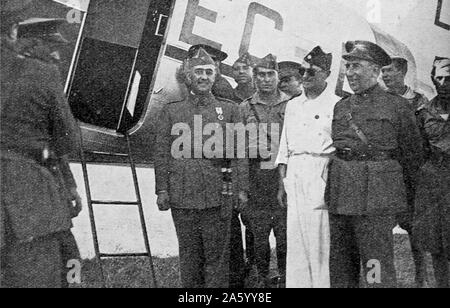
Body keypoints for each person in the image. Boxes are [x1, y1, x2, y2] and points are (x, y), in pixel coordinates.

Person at [327, 41, 424, 288]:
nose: (349, 73)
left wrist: (407, 203)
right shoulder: (342, 106)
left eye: (356, 66)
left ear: (375, 70)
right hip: (342, 193)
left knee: (375, 263)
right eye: (347, 66)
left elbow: (411, 156)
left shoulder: (398, 106)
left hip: (376, 198)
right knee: (341, 264)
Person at [1, 0, 82, 288]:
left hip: (43, 190)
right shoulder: (42, 76)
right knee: (45, 269)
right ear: (23, 40)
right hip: (33, 195)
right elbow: (67, 140)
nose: (58, 57)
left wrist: (70, 185)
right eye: (52, 49)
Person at [154, 47, 249, 288]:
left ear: (215, 76)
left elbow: (240, 153)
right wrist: (161, 189)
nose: (204, 77)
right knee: (189, 256)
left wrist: (241, 189)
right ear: (188, 76)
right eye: (198, 72)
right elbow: (161, 153)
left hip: (218, 196)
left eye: (209, 72)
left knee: (217, 258)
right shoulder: (172, 111)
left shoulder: (230, 111)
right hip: (182, 195)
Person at [276, 46, 338, 288]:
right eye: (303, 71)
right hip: (295, 173)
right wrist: (283, 183)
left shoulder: (336, 104)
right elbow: (285, 147)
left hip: (320, 171)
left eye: (312, 71)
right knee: (297, 239)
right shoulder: (293, 105)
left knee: (319, 240)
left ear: (327, 74)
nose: (306, 76)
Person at [240, 54, 290, 287]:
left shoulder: (292, 105)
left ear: (278, 77)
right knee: (259, 235)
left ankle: (285, 277)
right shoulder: (244, 108)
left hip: (284, 177)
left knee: (285, 235)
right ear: (254, 77)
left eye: (271, 74)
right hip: (256, 178)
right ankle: (261, 278)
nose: (266, 79)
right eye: (261, 74)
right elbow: (238, 149)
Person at [382, 56, 428, 287]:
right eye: (382, 71)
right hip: (386, 174)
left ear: (402, 72)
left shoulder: (419, 101)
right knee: (381, 229)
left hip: (411, 174)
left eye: (389, 71)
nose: (385, 76)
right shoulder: (380, 100)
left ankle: (420, 277)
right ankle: (380, 278)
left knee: (414, 228)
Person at [413, 57, 450, 289]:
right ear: (432, 79)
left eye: (449, 78)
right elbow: (417, 149)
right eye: (440, 78)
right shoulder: (424, 111)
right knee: (436, 242)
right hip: (434, 181)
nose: (444, 83)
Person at [228, 51, 256, 287]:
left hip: (253, 160)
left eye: (245, 68)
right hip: (234, 155)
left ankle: (254, 263)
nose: (240, 72)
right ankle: (242, 265)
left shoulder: (256, 97)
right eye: (236, 68)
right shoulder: (229, 93)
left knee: (251, 216)